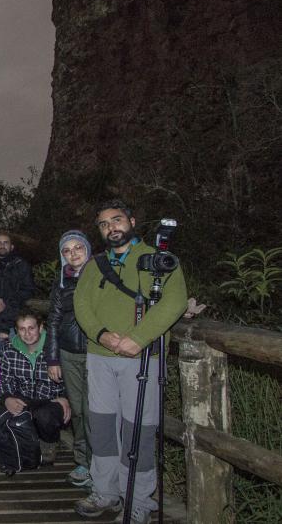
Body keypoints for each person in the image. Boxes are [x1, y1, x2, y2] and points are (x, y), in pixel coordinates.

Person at [74, 200, 187, 523]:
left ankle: (138, 499)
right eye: (104, 224)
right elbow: (82, 305)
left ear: (132, 221)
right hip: (100, 357)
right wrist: (102, 334)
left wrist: (140, 337)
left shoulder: (158, 260)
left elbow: (175, 301)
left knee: (139, 428)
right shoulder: (95, 265)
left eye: (117, 220)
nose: (111, 227)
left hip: (142, 359)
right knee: (103, 428)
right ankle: (105, 490)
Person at [44, 229, 94, 487]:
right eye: (67, 250)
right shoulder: (61, 282)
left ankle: (103, 465)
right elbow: (52, 321)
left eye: (78, 248)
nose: (73, 254)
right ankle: (84, 462)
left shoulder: (100, 276)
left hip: (97, 352)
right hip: (68, 353)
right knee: (78, 411)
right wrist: (52, 359)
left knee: (96, 410)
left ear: (87, 248)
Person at [0, 311, 71, 465]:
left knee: (44, 415)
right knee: (0, 412)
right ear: (16, 330)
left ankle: (50, 442)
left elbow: (71, 377)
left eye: (31, 328)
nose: (27, 333)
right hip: (24, 399)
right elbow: (5, 379)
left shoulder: (55, 348)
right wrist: (7, 398)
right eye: (22, 329)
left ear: (41, 327)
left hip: (50, 400)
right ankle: (29, 435)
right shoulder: (8, 349)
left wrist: (65, 397)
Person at [0, 231, 34, 314]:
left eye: (6, 243)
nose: (2, 245)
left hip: (13, 316)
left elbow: (29, 290)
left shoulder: (21, 265)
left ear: (12, 247)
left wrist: (7, 302)